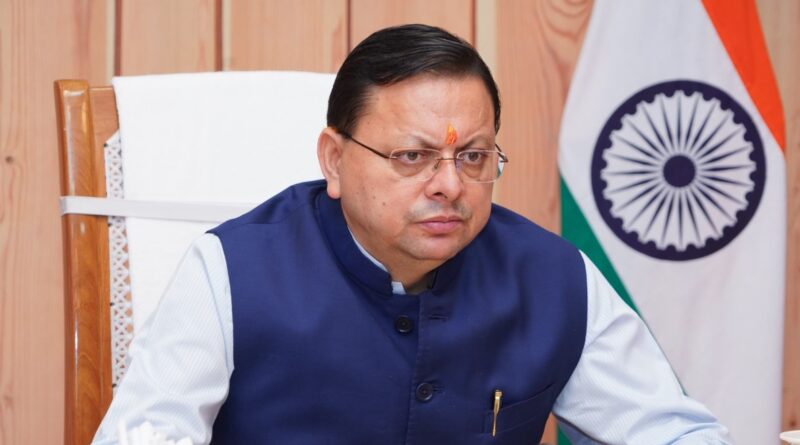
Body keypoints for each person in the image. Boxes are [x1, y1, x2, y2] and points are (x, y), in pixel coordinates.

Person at [93, 24, 731, 444]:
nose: (449, 185)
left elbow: (670, 431)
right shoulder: (230, 271)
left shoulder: (554, 279)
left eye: (473, 156)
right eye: (412, 156)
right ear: (334, 160)